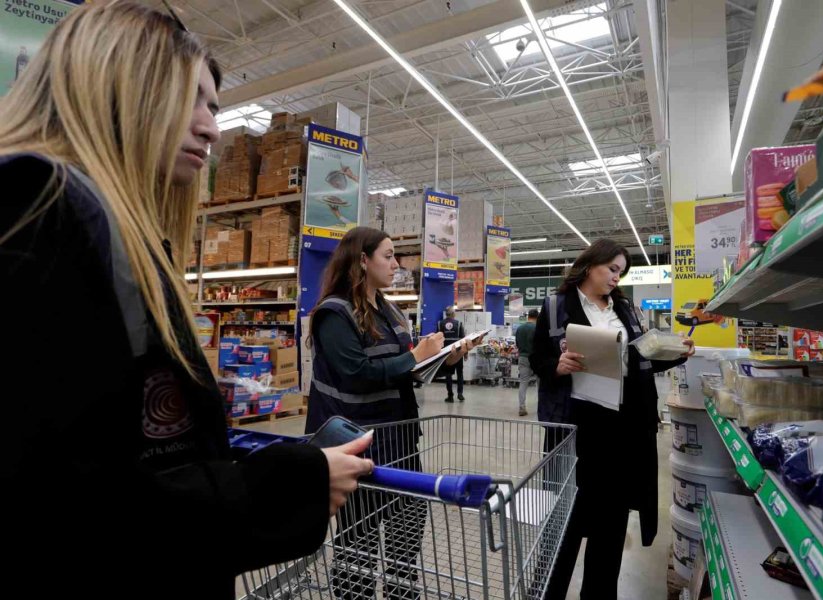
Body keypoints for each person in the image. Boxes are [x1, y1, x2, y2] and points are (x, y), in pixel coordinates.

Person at [0, 4, 373, 598]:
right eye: (192, 99)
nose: (212, 129)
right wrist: (289, 484)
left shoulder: (105, 227)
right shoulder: (42, 213)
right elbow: (67, 501)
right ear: (120, 84)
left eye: (214, 107)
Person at [305, 226, 479, 599]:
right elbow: (355, 375)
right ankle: (356, 593)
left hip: (400, 439)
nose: (396, 263)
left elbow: (407, 371)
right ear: (362, 260)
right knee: (361, 539)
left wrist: (445, 361)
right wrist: (415, 355)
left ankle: (403, 592)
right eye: (388, 255)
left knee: (407, 527)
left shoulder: (389, 310)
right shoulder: (334, 314)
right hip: (357, 444)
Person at [529, 239, 695, 599]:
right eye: (612, 269)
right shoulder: (557, 307)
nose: (616, 278)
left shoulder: (625, 309)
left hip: (622, 429)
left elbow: (641, 360)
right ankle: (547, 592)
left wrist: (676, 353)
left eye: (621, 272)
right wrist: (555, 366)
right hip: (576, 428)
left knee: (611, 522)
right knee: (565, 521)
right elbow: (537, 359)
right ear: (591, 265)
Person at [437, 306, 466, 402]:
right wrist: (465, 353)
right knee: (460, 373)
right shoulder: (458, 324)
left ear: (446, 314)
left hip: (446, 354)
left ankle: (450, 395)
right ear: (453, 314)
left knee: (448, 374)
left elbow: (438, 339)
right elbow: (463, 340)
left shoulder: (440, 324)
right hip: (458, 353)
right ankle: (460, 394)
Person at [514, 309, 539, 416]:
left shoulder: (519, 329)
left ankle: (522, 407)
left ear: (528, 316)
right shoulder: (537, 328)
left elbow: (517, 344)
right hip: (537, 358)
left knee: (523, 383)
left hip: (523, 357)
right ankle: (541, 406)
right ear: (537, 317)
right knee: (540, 384)